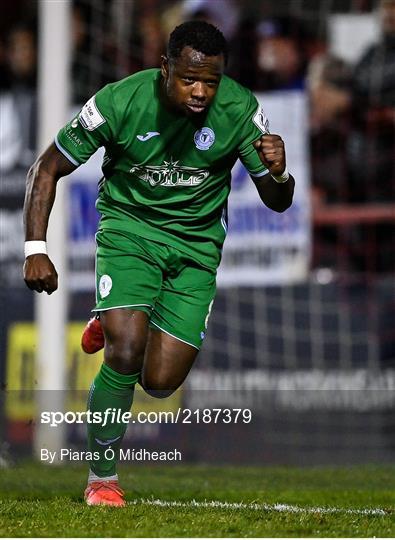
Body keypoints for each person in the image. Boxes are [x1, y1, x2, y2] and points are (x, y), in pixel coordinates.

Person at [23, 21, 295, 507]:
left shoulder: (241, 110)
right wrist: (35, 248)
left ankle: (111, 319)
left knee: (160, 381)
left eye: (210, 81)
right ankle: (102, 480)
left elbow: (277, 201)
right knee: (126, 352)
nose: (200, 91)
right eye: (190, 79)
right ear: (165, 68)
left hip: (196, 247)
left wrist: (279, 172)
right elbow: (47, 167)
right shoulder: (118, 102)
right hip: (131, 232)